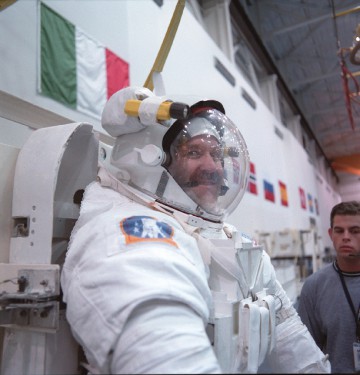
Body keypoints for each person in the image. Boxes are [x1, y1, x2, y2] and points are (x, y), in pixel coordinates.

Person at [61, 86, 331, 374]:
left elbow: (290, 336)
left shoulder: (231, 240)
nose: (213, 167)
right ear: (151, 160)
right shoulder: (127, 232)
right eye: (193, 152)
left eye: (216, 154)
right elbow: (163, 350)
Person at [298, 201, 360, 373]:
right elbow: (307, 352)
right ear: (331, 234)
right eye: (339, 231)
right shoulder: (314, 287)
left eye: (355, 231)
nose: (346, 236)